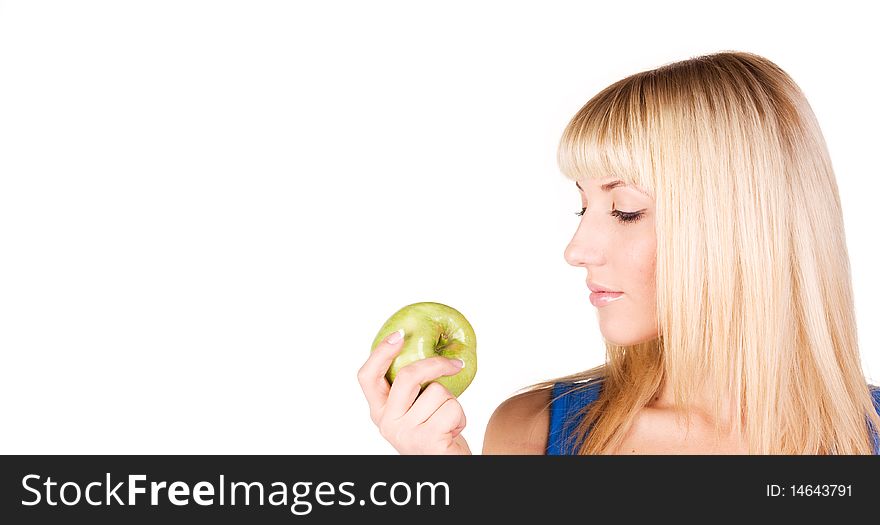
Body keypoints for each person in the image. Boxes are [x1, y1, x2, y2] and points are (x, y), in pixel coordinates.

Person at [357, 50, 880, 455]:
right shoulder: (532, 433)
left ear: (741, 227)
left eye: (626, 209)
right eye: (581, 208)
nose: (576, 250)